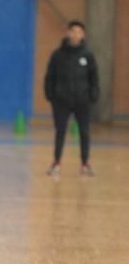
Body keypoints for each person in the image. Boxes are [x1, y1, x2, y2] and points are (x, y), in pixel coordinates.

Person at [44, 20, 100, 177]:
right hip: (61, 101)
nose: (75, 34)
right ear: (67, 33)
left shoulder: (88, 55)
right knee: (60, 131)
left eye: (79, 32)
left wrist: (93, 95)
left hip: (82, 101)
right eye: (73, 31)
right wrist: (50, 94)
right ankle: (56, 163)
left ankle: (85, 163)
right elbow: (50, 76)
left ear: (83, 35)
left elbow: (94, 77)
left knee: (84, 131)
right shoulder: (58, 55)